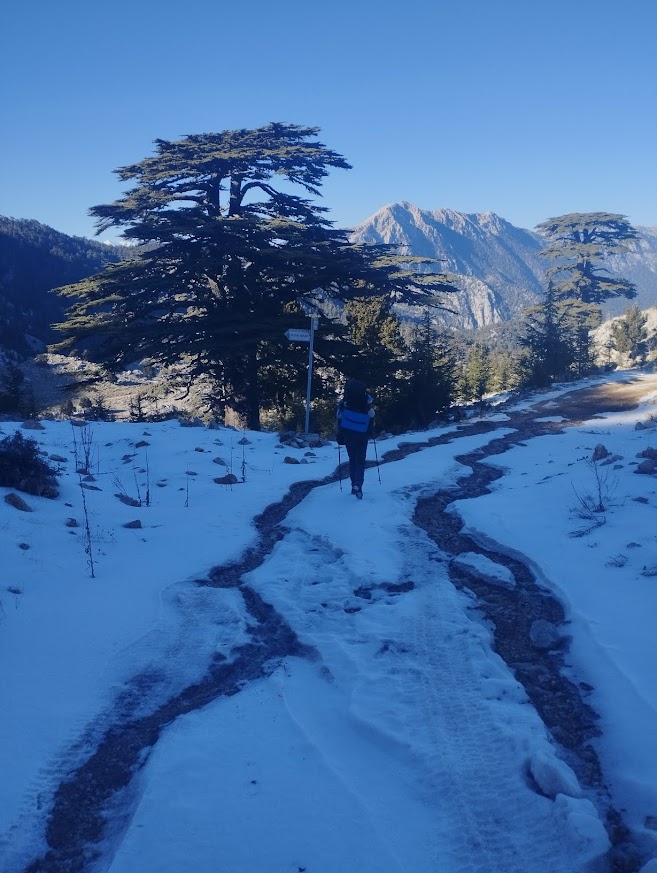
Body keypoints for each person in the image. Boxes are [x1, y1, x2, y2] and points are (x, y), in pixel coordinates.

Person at [336, 378, 375, 499]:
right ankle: (359, 485)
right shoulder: (366, 401)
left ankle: (354, 485)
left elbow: (339, 417)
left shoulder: (344, 403)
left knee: (352, 459)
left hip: (348, 434)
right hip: (362, 434)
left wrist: (340, 433)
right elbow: (371, 416)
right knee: (361, 460)